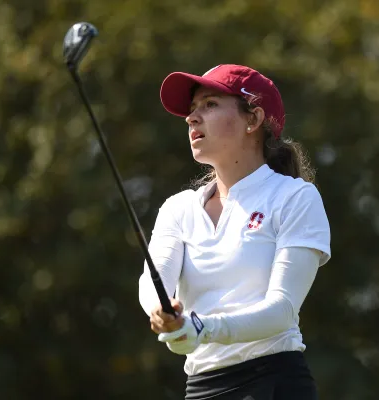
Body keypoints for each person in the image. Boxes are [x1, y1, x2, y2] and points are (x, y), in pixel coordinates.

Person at [138, 64, 331, 400]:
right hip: (201, 388)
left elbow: (282, 310)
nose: (191, 118)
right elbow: (153, 283)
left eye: (210, 105)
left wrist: (201, 328)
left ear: (253, 121)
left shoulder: (294, 197)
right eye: (192, 109)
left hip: (273, 382)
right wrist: (164, 312)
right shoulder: (178, 208)